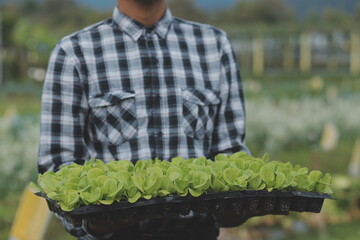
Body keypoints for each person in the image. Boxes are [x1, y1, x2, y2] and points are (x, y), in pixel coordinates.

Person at [38, 0, 249, 239]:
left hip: (195, 233)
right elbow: (58, 165)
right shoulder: (75, 51)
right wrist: (96, 221)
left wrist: (238, 204)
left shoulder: (213, 44)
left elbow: (230, 153)